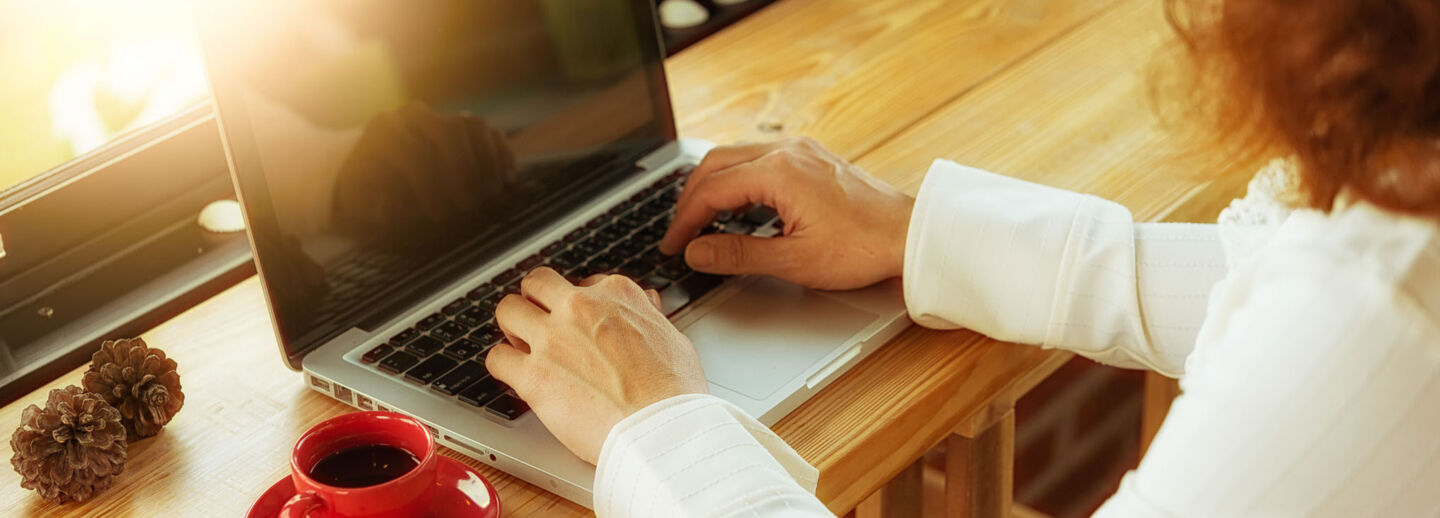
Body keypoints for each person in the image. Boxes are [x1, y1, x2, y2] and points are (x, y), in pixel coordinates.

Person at [483, 0, 1440, 515]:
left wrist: (658, 429)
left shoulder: (1382, 317)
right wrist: (919, 235)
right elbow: (1274, 283)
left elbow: (1361, 313)